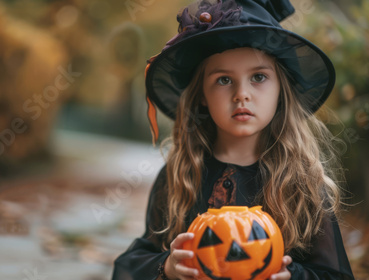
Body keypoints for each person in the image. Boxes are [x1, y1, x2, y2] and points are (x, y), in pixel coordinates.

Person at [113, 0, 355, 279]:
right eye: (224, 80)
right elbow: (133, 264)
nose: (242, 94)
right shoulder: (179, 176)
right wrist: (166, 267)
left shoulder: (303, 184)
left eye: (259, 77)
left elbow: (335, 275)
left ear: (280, 90)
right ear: (202, 95)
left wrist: (295, 275)